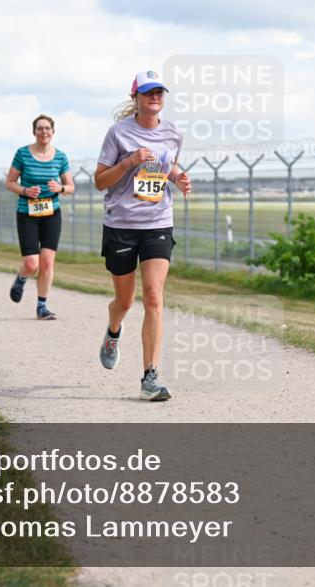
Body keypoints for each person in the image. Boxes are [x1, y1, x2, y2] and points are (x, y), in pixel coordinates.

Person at [94, 70, 192, 401]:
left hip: (157, 221)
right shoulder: (118, 133)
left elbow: (168, 167)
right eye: (148, 92)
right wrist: (129, 162)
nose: (155, 97)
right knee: (125, 300)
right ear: (135, 97)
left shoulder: (173, 132)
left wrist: (179, 178)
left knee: (153, 295)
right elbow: (100, 181)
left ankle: (150, 376)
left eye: (159, 92)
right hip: (121, 224)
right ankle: (113, 330)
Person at [4, 114, 74, 320]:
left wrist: (60, 187)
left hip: (52, 212)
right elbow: (9, 182)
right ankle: (21, 278)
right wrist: (25, 191)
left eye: (48, 128)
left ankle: (41, 306)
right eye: (40, 128)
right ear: (34, 132)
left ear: (53, 132)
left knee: (47, 262)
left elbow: (70, 187)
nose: (44, 132)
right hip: (28, 213)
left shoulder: (60, 156)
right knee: (32, 263)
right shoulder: (23, 154)